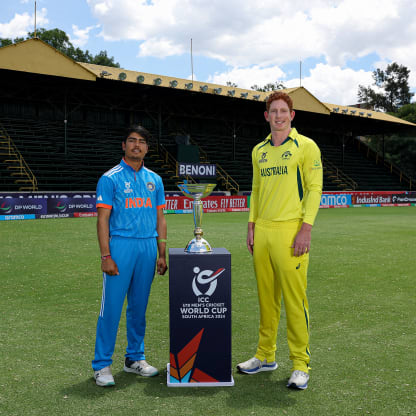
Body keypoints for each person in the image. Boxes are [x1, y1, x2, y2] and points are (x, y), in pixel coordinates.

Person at [237, 91, 322, 390]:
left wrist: (306, 228)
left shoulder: (306, 147)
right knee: (266, 299)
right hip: (262, 230)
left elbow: (314, 189)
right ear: (266, 116)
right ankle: (265, 355)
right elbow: (256, 190)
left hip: (291, 231)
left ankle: (301, 363)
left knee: (295, 301)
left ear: (292, 115)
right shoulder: (258, 150)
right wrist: (251, 224)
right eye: (273, 111)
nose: (279, 116)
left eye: (283, 110)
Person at [92, 125, 168, 387]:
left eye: (142, 142)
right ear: (123, 146)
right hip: (121, 246)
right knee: (111, 308)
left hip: (148, 247)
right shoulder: (110, 178)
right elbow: (102, 219)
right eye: (132, 141)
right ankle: (101, 365)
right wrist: (106, 255)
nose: (137, 145)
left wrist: (162, 252)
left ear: (147, 147)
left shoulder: (155, 179)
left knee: (139, 308)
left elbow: (160, 218)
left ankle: (135, 358)